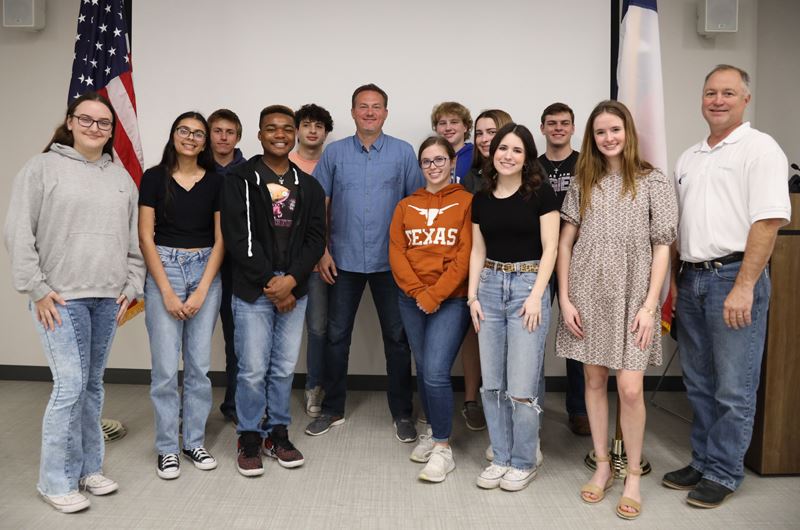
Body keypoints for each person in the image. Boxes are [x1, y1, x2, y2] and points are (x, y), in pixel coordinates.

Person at [4, 92, 145, 513]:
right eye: (86, 119)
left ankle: (88, 469)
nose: (95, 127)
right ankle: (55, 480)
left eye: (104, 123)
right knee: (69, 386)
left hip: (106, 298)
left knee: (93, 385)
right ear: (70, 121)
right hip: (59, 299)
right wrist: (36, 288)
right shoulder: (41, 168)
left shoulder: (121, 178)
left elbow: (135, 242)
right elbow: (17, 233)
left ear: (111, 131)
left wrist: (132, 285)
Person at [662, 65, 791, 508]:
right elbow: (680, 227)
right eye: (711, 92)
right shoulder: (689, 157)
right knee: (697, 381)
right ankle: (702, 460)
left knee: (733, 386)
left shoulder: (760, 149)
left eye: (728, 93)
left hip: (733, 279)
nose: (718, 100)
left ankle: (723, 470)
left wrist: (744, 285)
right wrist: (675, 283)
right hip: (692, 277)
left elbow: (769, 220)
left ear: (745, 100)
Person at [556, 100, 677, 520]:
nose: (608, 138)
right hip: (588, 291)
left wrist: (650, 305)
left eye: (615, 130)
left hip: (634, 297)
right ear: (592, 137)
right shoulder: (582, 181)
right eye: (601, 132)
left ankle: (633, 478)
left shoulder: (652, 181)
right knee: (592, 380)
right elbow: (565, 242)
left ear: (628, 133)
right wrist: (567, 297)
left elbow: (663, 244)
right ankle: (603, 464)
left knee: (629, 388)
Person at [305, 84, 424, 442]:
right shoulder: (334, 154)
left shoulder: (403, 153)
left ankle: (402, 413)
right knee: (337, 336)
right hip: (342, 260)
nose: (370, 112)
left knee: (398, 339)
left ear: (386, 112)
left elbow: (417, 209)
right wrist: (322, 251)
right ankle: (332, 409)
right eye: (363, 107)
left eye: (376, 107)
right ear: (352, 112)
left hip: (392, 263)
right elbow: (319, 206)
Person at [221, 105, 325, 476]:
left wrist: (292, 281)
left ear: (294, 133)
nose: (279, 134)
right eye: (271, 128)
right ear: (260, 134)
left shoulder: (309, 186)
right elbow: (238, 238)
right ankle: (249, 434)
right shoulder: (240, 179)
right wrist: (272, 282)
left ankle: (276, 433)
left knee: (282, 368)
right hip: (254, 288)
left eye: (286, 128)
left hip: (294, 288)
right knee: (251, 369)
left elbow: (315, 239)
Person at [468, 123, 559, 492]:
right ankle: (502, 457)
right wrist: (472, 296)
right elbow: (478, 250)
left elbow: (551, 247)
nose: (507, 155)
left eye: (517, 150)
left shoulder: (540, 194)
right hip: (489, 287)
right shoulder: (482, 197)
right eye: (503, 148)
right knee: (492, 385)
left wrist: (537, 294)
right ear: (493, 152)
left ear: (527, 157)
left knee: (521, 386)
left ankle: (523, 460)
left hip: (527, 286)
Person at [139, 111, 224, 480]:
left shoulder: (218, 180)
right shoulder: (154, 177)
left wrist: (204, 287)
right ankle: (167, 448)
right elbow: (146, 236)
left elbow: (221, 239)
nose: (190, 137)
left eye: (198, 133)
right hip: (165, 269)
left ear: (205, 142)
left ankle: (193, 441)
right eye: (183, 131)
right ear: (173, 134)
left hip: (206, 269)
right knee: (163, 369)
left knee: (199, 368)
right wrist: (167, 292)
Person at [389, 136, 473, 482]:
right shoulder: (406, 205)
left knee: (437, 370)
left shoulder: (468, 202)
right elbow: (397, 251)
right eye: (427, 161)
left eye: (440, 160)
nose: (434, 166)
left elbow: (466, 256)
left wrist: (435, 294)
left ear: (452, 163)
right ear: (420, 166)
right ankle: (433, 430)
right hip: (411, 298)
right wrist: (416, 291)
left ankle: (442, 448)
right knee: (423, 367)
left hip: (450, 299)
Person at [537, 102, 589, 436]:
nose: (558, 128)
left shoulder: (587, 164)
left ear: (573, 128)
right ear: (542, 128)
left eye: (564, 123)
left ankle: (579, 408)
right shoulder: (532, 166)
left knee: (576, 330)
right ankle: (532, 403)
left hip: (578, 257)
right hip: (540, 257)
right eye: (552, 123)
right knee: (534, 330)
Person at [288, 103, 335, 418]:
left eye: (319, 125)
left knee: (318, 327)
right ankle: (271, 387)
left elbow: (330, 214)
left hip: (319, 258)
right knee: (278, 325)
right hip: (285, 260)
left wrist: (322, 252)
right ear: (297, 129)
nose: (313, 130)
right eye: (307, 124)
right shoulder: (281, 161)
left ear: (326, 132)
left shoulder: (331, 163)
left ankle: (314, 386)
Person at [208, 108, 246, 424]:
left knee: (237, 341)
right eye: (217, 130)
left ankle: (234, 405)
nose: (223, 137)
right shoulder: (193, 167)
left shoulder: (250, 172)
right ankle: (192, 409)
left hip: (237, 269)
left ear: (238, 137)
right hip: (199, 265)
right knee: (193, 342)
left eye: (229, 132)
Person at [463, 109, 512, 194]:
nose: (484, 139)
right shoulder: (471, 178)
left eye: (492, 132)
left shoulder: (528, 173)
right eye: (479, 133)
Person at [430, 101, 473, 184]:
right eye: (442, 123)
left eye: (454, 122)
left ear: (465, 127)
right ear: (436, 128)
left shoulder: (475, 156)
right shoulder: (429, 157)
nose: (448, 128)